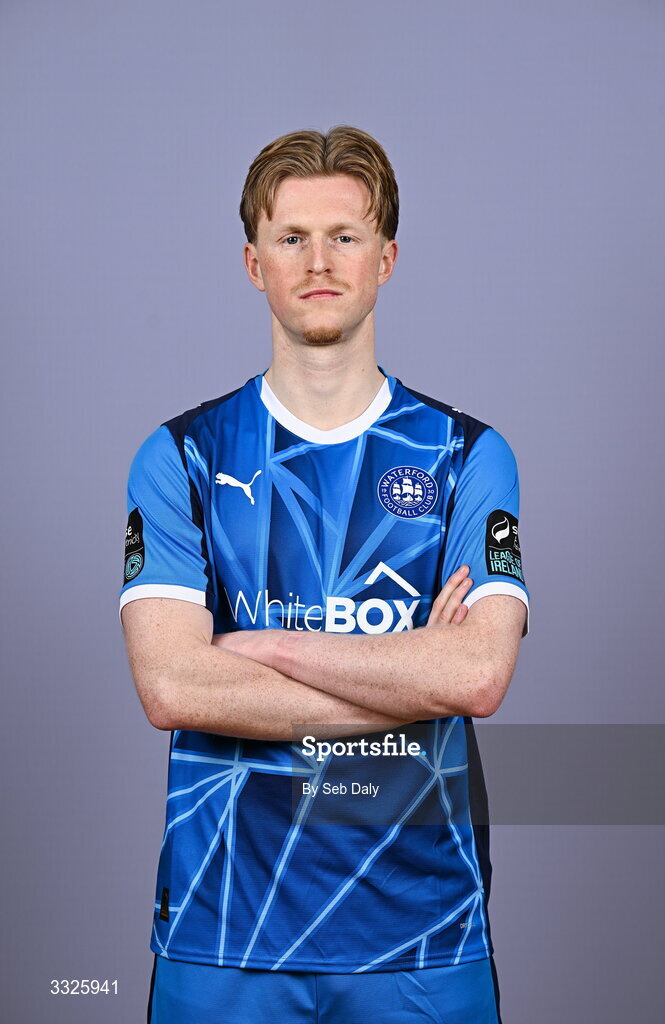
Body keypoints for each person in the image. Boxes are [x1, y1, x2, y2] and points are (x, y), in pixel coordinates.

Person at [120, 125, 529, 1024]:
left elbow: (476, 674)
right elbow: (170, 684)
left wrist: (253, 647)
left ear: (385, 258)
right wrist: (408, 676)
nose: (318, 261)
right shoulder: (180, 457)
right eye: (290, 237)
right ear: (251, 261)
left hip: (421, 936)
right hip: (219, 930)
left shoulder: (468, 456)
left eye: (344, 236)